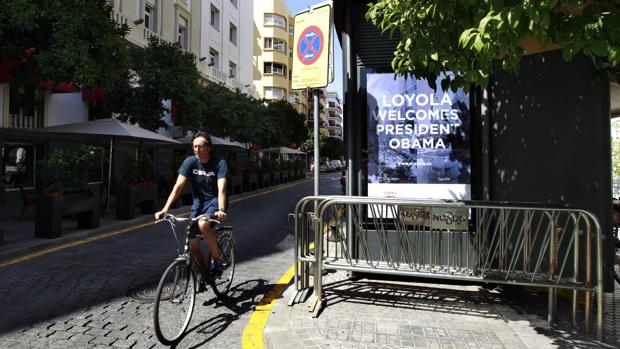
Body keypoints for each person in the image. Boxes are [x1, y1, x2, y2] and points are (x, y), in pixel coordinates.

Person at [155, 132, 228, 282]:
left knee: (203, 224)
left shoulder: (219, 163)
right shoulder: (190, 162)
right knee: (192, 244)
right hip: (198, 204)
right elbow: (178, 186)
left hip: (215, 201)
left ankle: (217, 260)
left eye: (200, 146)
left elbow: (222, 189)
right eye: (194, 146)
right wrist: (165, 209)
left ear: (209, 148)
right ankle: (204, 274)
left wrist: (221, 209)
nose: (196, 149)